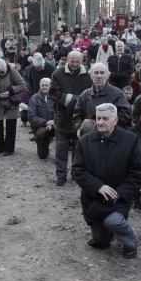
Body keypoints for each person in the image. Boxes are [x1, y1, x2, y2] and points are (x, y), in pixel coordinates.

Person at [72, 103, 141, 259]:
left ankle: (130, 242)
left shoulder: (130, 140)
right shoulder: (85, 142)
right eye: (98, 118)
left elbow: (138, 172)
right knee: (101, 242)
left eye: (105, 118)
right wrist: (98, 187)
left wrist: (119, 193)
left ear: (116, 120)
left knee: (113, 221)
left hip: (118, 198)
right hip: (93, 198)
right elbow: (77, 171)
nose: (100, 122)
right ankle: (104, 234)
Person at [49, 51, 92, 186]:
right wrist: (69, 99)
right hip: (62, 117)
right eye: (72, 61)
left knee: (78, 149)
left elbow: (92, 93)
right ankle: (61, 175)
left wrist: (79, 102)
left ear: (81, 61)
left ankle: (76, 174)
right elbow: (53, 93)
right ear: (67, 60)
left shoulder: (88, 75)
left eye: (77, 62)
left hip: (80, 118)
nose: (74, 64)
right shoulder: (58, 73)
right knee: (61, 149)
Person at [72, 63, 132, 134]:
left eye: (102, 73)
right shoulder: (84, 95)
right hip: (90, 137)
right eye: (96, 73)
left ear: (108, 76)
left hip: (111, 137)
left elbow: (125, 116)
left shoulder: (117, 94)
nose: (99, 76)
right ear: (91, 75)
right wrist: (79, 129)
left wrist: (102, 121)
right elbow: (77, 116)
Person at [0, 59, 26, 156]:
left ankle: (9, 149)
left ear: (5, 67)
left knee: (11, 127)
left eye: (2, 72)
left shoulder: (13, 72)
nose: (0, 74)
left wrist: (10, 92)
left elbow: (22, 85)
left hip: (11, 102)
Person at [28, 78, 55, 159]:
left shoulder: (56, 97)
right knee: (42, 156)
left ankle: (60, 154)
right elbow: (31, 117)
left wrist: (54, 122)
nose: (44, 87)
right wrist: (46, 123)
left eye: (47, 85)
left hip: (55, 125)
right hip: (41, 127)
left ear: (50, 86)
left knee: (63, 132)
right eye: (42, 85)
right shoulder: (34, 98)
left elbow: (61, 113)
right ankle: (44, 145)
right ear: (39, 86)